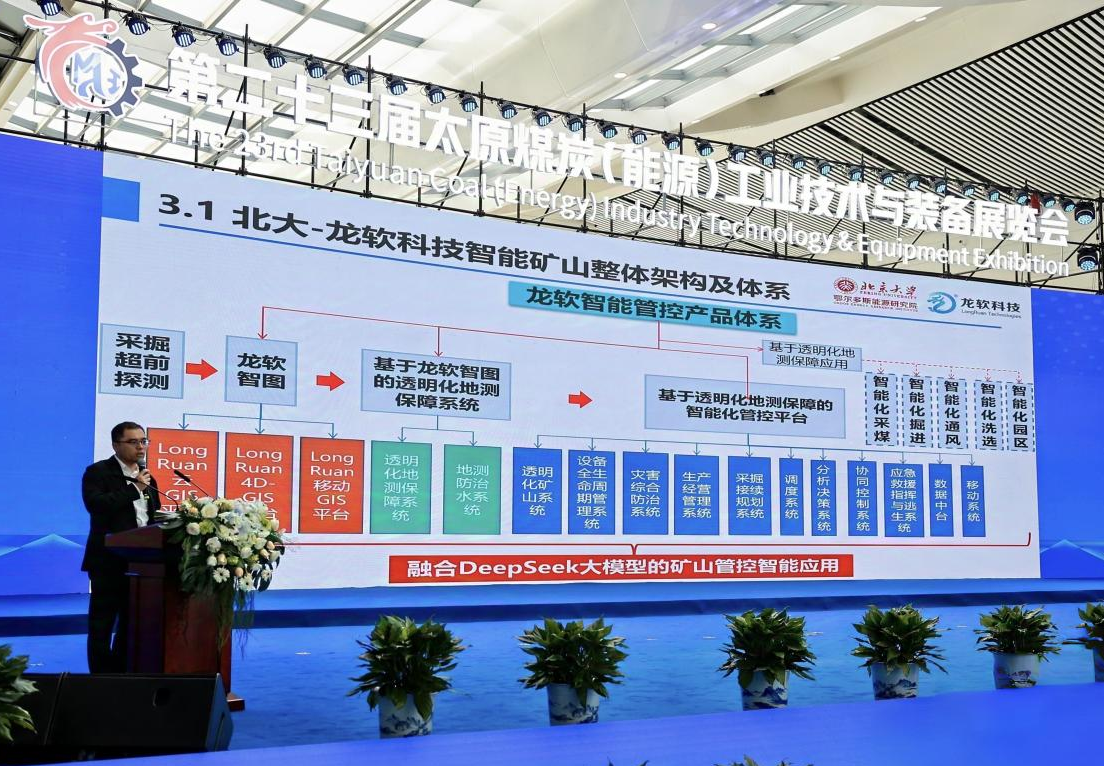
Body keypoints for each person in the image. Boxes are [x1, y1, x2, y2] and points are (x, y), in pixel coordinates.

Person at [81, 421, 161, 673]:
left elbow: (153, 516)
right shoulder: (98, 472)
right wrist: (134, 489)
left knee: (131, 623)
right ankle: (100, 678)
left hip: (141, 563)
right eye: (133, 442)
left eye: (143, 441)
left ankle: (121, 673)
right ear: (116, 445)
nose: (141, 447)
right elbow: (96, 505)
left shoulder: (147, 476)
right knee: (102, 624)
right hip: (107, 561)